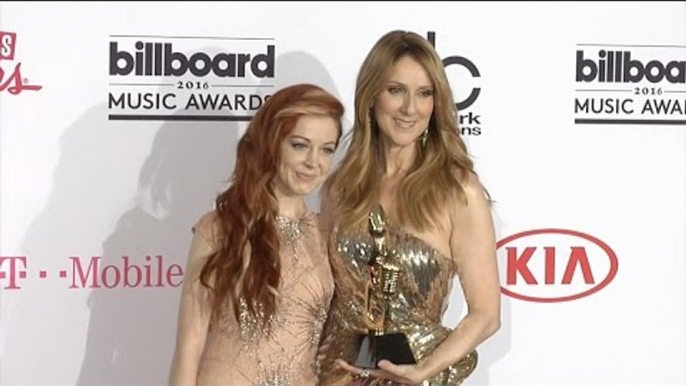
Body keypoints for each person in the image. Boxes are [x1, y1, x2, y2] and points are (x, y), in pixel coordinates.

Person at [318, 30, 501, 386]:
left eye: (424, 94)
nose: (410, 109)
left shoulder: (458, 190)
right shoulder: (340, 189)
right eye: (396, 90)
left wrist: (424, 371)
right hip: (336, 377)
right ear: (371, 96)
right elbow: (322, 300)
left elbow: (486, 316)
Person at [169, 84, 344, 386]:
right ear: (272, 143)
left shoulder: (327, 233)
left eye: (326, 150)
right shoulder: (221, 227)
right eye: (300, 145)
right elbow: (189, 346)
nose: (313, 162)